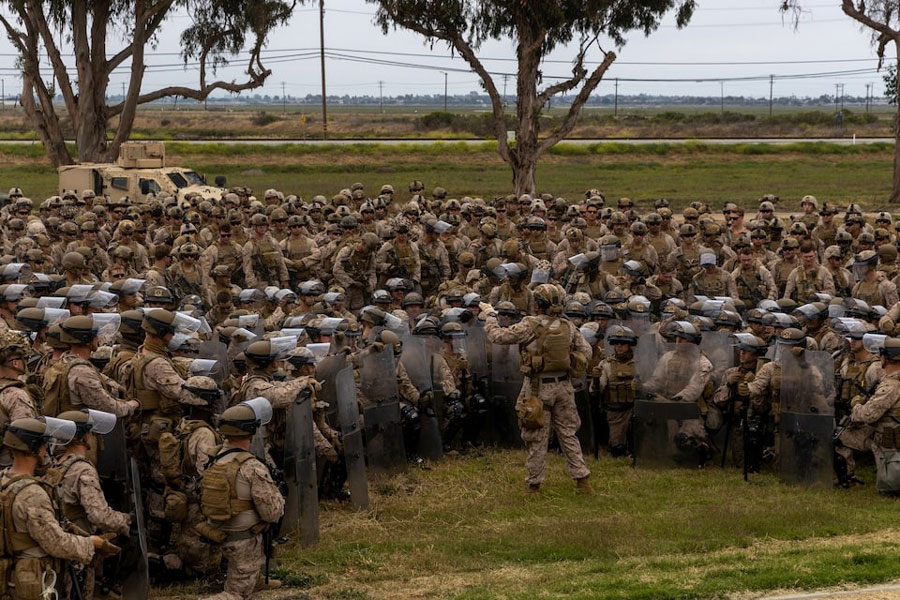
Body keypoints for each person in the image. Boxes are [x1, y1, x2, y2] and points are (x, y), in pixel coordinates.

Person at [481, 284, 592, 493]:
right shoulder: (568, 326)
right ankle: (582, 479)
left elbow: (498, 337)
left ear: (538, 304)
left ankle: (534, 484)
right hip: (564, 387)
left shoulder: (529, 325)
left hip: (537, 387)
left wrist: (489, 315)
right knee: (568, 434)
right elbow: (586, 351)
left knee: (536, 435)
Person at [0, 417, 112, 600]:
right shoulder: (32, 494)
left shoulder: (3, 480)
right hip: (34, 578)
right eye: (45, 443)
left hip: (10, 574)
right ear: (36, 448)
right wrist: (92, 543)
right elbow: (55, 543)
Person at [198, 402, 285, 600]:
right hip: (242, 541)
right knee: (237, 595)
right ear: (250, 431)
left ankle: (254, 578)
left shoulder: (213, 458)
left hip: (215, 530)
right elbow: (272, 512)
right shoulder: (252, 466)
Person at [50, 409, 131, 600]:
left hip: (64, 544)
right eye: (90, 432)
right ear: (83, 436)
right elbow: (99, 516)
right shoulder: (82, 469)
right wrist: (127, 521)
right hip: (80, 548)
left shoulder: (58, 464)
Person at [592, 325, 638, 458]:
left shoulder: (639, 363)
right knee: (617, 448)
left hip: (635, 409)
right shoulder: (606, 364)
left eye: (623, 343)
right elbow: (597, 389)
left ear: (630, 345)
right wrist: (595, 381)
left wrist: (640, 386)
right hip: (615, 411)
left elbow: (651, 384)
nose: (619, 346)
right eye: (616, 343)